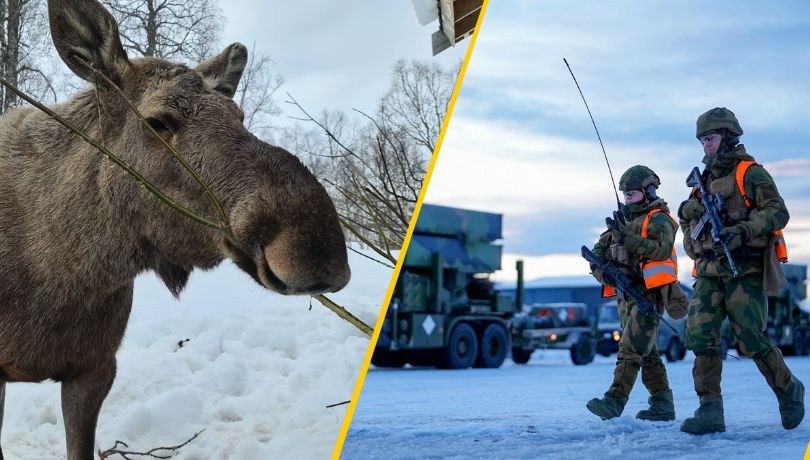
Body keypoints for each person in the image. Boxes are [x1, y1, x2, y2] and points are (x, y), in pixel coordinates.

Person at [678, 107, 805, 434]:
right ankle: (710, 410)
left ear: (728, 136)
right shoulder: (702, 181)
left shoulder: (750, 173)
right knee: (700, 335)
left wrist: (744, 230)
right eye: (703, 139)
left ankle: (789, 389)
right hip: (708, 270)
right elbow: (690, 223)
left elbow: (778, 211)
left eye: (711, 137)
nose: (706, 144)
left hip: (744, 267)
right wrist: (691, 226)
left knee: (749, 336)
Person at [587, 165, 688, 421]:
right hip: (625, 294)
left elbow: (661, 249)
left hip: (649, 295)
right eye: (625, 194)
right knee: (648, 352)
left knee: (631, 348)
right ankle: (663, 406)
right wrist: (603, 271)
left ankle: (614, 401)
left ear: (649, 190)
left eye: (632, 193)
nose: (628, 197)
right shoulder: (622, 220)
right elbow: (600, 250)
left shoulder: (660, 218)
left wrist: (627, 238)